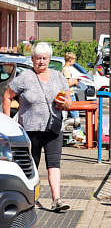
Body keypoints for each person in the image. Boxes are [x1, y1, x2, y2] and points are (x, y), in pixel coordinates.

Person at [2, 42, 71, 212]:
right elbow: (7, 96)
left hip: (53, 128)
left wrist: (64, 104)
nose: (41, 61)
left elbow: (69, 102)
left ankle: (57, 200)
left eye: (44, 58)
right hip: (30, 129)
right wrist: (8, 121)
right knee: (32, 164)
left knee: (54, 164)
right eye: (38, 58)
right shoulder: (25, 77)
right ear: (32, 59)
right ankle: (32, 199)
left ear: (49, 59)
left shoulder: (58, 77)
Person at [61, 52, 80, 120]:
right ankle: (77, 126)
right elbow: (67, 84)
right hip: (70, 94)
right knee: (75, 113)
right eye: (74, 60)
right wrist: (74, 82)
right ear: (70, 60)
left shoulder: (64, 68)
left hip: (67, 94)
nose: (74, 62)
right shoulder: (66, 70)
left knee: (72, 113)